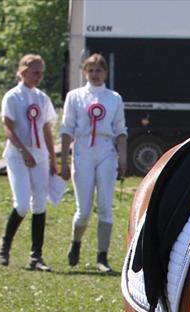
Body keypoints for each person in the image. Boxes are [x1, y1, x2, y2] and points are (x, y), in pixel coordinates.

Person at [58, 53, 127, 273]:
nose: (95, 74)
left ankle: (102, 256)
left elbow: (120, 130)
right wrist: (64, 162)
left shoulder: (113, 97)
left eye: (99, 70)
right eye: (91, 70)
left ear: (105, 73)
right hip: (82, 151)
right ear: (84, 72)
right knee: (84, 210)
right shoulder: (75, 96)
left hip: (106, 150)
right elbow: (67, 129)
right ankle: (76, 242)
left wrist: (122, 157)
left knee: (106, 206)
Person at [0, 54, 57, 271]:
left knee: (39, 204)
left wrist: (52, 159)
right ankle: (5, 244)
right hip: (17, 156)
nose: (39, 77)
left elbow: (47, 130)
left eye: (41, 72)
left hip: (39, 157)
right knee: (22, 204)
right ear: (23, 72)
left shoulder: (42, 98)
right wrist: (23, 151)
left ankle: (36, 256)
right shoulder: (12, 97)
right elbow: (8, 128)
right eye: (35, 72)